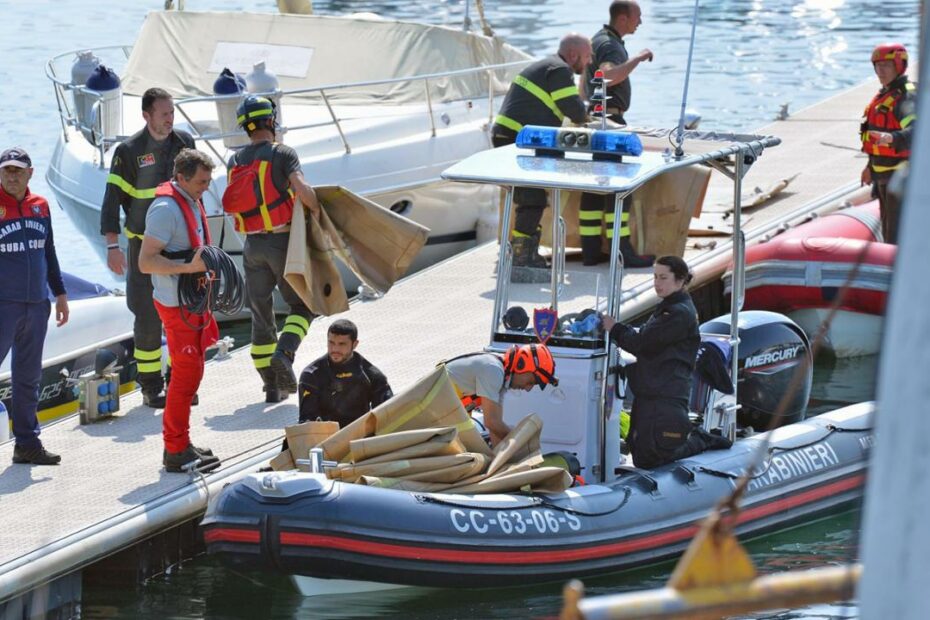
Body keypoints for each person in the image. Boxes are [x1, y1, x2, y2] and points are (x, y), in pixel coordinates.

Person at [100, 88, 195, 408]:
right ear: (146, 115)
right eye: (164, 114)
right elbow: (111, 201)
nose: (170, 119)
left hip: (181, 245)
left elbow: (195, 192)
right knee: (147, 316)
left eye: (172, 113)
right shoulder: (128, 151)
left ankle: (180, 382)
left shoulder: (184, 143)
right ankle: (151, 387)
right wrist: (112, 246)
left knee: (184, 315)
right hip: (143, 247)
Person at [222, 95, 320, 403]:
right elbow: (303, 192)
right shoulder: (283, 153)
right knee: (304, 306)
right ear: (271, 120)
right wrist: (318, 210)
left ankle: (272, 386)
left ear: (245, 127)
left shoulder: (235, 161)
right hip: (281, 242)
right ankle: (285, 353)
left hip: (252, 246)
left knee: (261, 314)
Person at [601, 255, 730, 469]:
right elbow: (649, 336)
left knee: (653, 456)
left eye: (663, 278)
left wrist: (615, 328)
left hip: (666, 394)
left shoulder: (678, 312)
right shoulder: (669, 306)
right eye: (655, 277)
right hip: (651, 392)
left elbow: (642, 343)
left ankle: (701, 439)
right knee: (637, 449)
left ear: (680, 280)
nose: (657, 283)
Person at [138, 149, 220, 473]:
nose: (206, 188)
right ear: (182, 178)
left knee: (192, 373)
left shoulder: (190, 199)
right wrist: (188, 267)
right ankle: (175, 450)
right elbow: (146, 262)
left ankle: (182, 442)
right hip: (176, 306)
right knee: (185, 377)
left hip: (192, 302)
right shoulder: (164, 210)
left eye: (208, 181)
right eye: (201, 182)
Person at [490, 34, 591, 273]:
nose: (588, 63)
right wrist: (589, 117)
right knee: (532, 198)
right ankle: (522, 259)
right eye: (587, 57)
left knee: (529, 197)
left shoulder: (546, 66)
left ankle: (523, 254)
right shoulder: (560, 70)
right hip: (517, 139)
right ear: (573, 54)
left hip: (511, 136)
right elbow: (574, 109)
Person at [0, 147, 68, 465]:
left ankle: (27, 444)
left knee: (28, 378)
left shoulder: (40, 205)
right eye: (6, 170)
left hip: (37, 304)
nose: (12, 176)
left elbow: (48, 251)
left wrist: (60, 293)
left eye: (18, 170)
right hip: (4, 305)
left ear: (30, 173)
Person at [579, 0, 655, 268]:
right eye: (637, 17)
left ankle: (590, 250)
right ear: (623, 18)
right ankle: (622, 251)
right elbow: (608, 76)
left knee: (592, 188)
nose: (640, 22)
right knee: (619, 187)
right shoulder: (610, 44)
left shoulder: (596, 40)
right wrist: (638, 58)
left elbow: (583, 86)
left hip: (594, 119)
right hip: (610, 120)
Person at [444, 344, 558, 447]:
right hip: (437, 407)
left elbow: (496, 427)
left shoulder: (502, 376)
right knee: (471, 450)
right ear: (521, 365)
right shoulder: (493, 370)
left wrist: (500, 455)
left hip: (444, 411)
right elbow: (492, 422)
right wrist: (520, 444)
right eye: (531, 382)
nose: (528, 389)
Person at [860, 42, 916, 244]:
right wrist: (869, 167)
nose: (881, 71)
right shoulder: (884, 95)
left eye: (886, 65)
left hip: (902, 178)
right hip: (883, 177)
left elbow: (917, 130)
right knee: (888, 232)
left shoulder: (907, 97)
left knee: (896, 236)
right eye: (878, 66)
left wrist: (893, 138)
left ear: (899, 66)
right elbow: (874, 137)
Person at [297, 319, 393, 428]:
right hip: (327, 435)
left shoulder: (371, 374)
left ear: (355, 344)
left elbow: (388, 412)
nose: (335, 349)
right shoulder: (311, 375)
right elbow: (307, 421)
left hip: (362, 433)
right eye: (331, 343)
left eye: (342, 344)